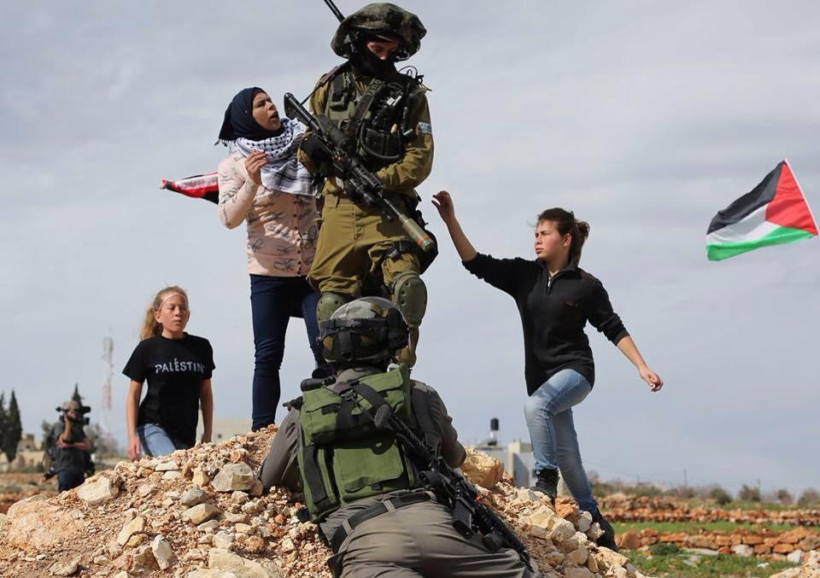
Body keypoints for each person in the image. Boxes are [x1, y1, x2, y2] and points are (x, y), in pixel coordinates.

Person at [432, 191, 664, 551]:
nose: (537, 239)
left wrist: (642, 366)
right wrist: (450, 221)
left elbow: (613, 327)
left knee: (536, 407)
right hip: (541, 380)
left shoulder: (586, 285)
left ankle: (544, 479)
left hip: (576, 372)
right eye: (535, 234)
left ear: (566, 239)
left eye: (544, 233)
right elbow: (476, 263)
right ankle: (595, 519)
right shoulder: (525, 276)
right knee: (568, 453)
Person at [258, 297, 535, 577]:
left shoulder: (303, 412)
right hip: (439, 531)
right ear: (392, 342)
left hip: (364, 541)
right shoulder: (420, 393)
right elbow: (454, 457)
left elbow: (267, 478)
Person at [299, 2, 434, 367]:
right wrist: (309, 150)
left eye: (392, 49)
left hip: (387, 206)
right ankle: (338, 375)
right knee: (331, 302)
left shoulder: (409, 94)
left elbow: (420, 158)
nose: (385, 56)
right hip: (338, 206)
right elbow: (307, 145)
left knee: (407, 288)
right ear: (358, 43)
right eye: (377, 48)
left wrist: (380, 180)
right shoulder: (329, 86)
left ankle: (401, 370)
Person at [217, 87, 328, 430]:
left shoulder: (304, 145)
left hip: (313, 270)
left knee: (326, 346)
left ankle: (330, 418)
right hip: (267, 274)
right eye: (260, 104)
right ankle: (261, 431)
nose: (271, 106)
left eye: (270, 101)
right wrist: (251, 183)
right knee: (267, 355)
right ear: (246, 117)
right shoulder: (234, 164)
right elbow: (228, 218)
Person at [123, 286, 214, 459]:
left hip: (186, 432)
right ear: (158, 315)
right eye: (171, 308)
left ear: (188, 315)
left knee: (184, 469)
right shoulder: (146, 348)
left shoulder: (202, 347)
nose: (178, 313)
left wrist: (208, 432)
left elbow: (206, 393)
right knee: (175, 462)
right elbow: (133, 396)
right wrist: (131, 437)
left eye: (183, 308)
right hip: (152, 425)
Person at [43, 400, 93, 492]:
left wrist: (72, 445)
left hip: (79, 469)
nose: (76, 413)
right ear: (65, 412)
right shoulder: (59, 425)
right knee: (65, 496)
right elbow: (64, 439)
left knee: (78, 496)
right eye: (73, 411)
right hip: (65, 469)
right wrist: (68, 424)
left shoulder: (78, 428)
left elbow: (87, 445)